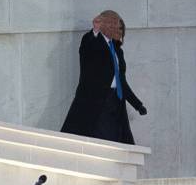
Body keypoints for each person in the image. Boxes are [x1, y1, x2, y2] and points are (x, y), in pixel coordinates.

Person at [61, 10, 147, 145]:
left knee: (119, 142)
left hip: (116, 104)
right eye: (115, 28)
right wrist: (95, 29)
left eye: (120, 30)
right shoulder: (91, 41)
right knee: (101, 141)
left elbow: (121, 82)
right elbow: (88, 47)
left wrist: (138, 105)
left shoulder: (117, 50)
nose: (118, 33)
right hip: (96, 103)